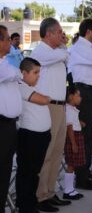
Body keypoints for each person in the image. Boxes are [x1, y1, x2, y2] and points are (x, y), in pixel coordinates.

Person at [31, 18, 71, 211]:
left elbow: (65, 56)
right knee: (47, 152)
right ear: (49, 34)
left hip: (60, 106)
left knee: (57, 152)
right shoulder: (40, 52)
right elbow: (64, 55)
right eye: (59, 32)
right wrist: (64, 48)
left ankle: (50, 191)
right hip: (48, 106)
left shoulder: (57, 53)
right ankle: (40, 196)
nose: (62, 35)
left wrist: (62, 48)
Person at [68, 19, 92, 190]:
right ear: (89, 31)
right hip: (84, 93)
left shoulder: (88, 48)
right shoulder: (80, 47)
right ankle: (82, 177)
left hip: (91, 93)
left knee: (89, 134)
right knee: (83, 135)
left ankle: (86, 173)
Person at [16, 57, 51, 213]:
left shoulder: (30, 87)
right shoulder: (20, 86)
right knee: (27, 172)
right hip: (29, 136)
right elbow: (43, 100)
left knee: (34, 172)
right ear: (23, 73)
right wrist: (47, 98)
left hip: (40, 136)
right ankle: (24, 206)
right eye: (35, 72)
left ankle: (31, 202)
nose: (38, 76)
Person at [0, 25, 22, 213]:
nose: (10, 42)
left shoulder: (5, 61)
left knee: (5, 173)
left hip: (9, 125)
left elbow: (15, 74)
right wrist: (17, 74)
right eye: (7, 39)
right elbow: (11, 74)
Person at [63, 85, 85, 200]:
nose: (80, 98)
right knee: (71, 164)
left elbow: (72, 122)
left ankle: (70, 188)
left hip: (76, 135)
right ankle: (68, 190)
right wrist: (73, 143)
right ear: (71, 97)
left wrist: (79, 122)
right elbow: (69, 127)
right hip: (73, 137)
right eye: (78, 95)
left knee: (73, 164)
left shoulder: (72, 109)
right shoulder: (69, 109)